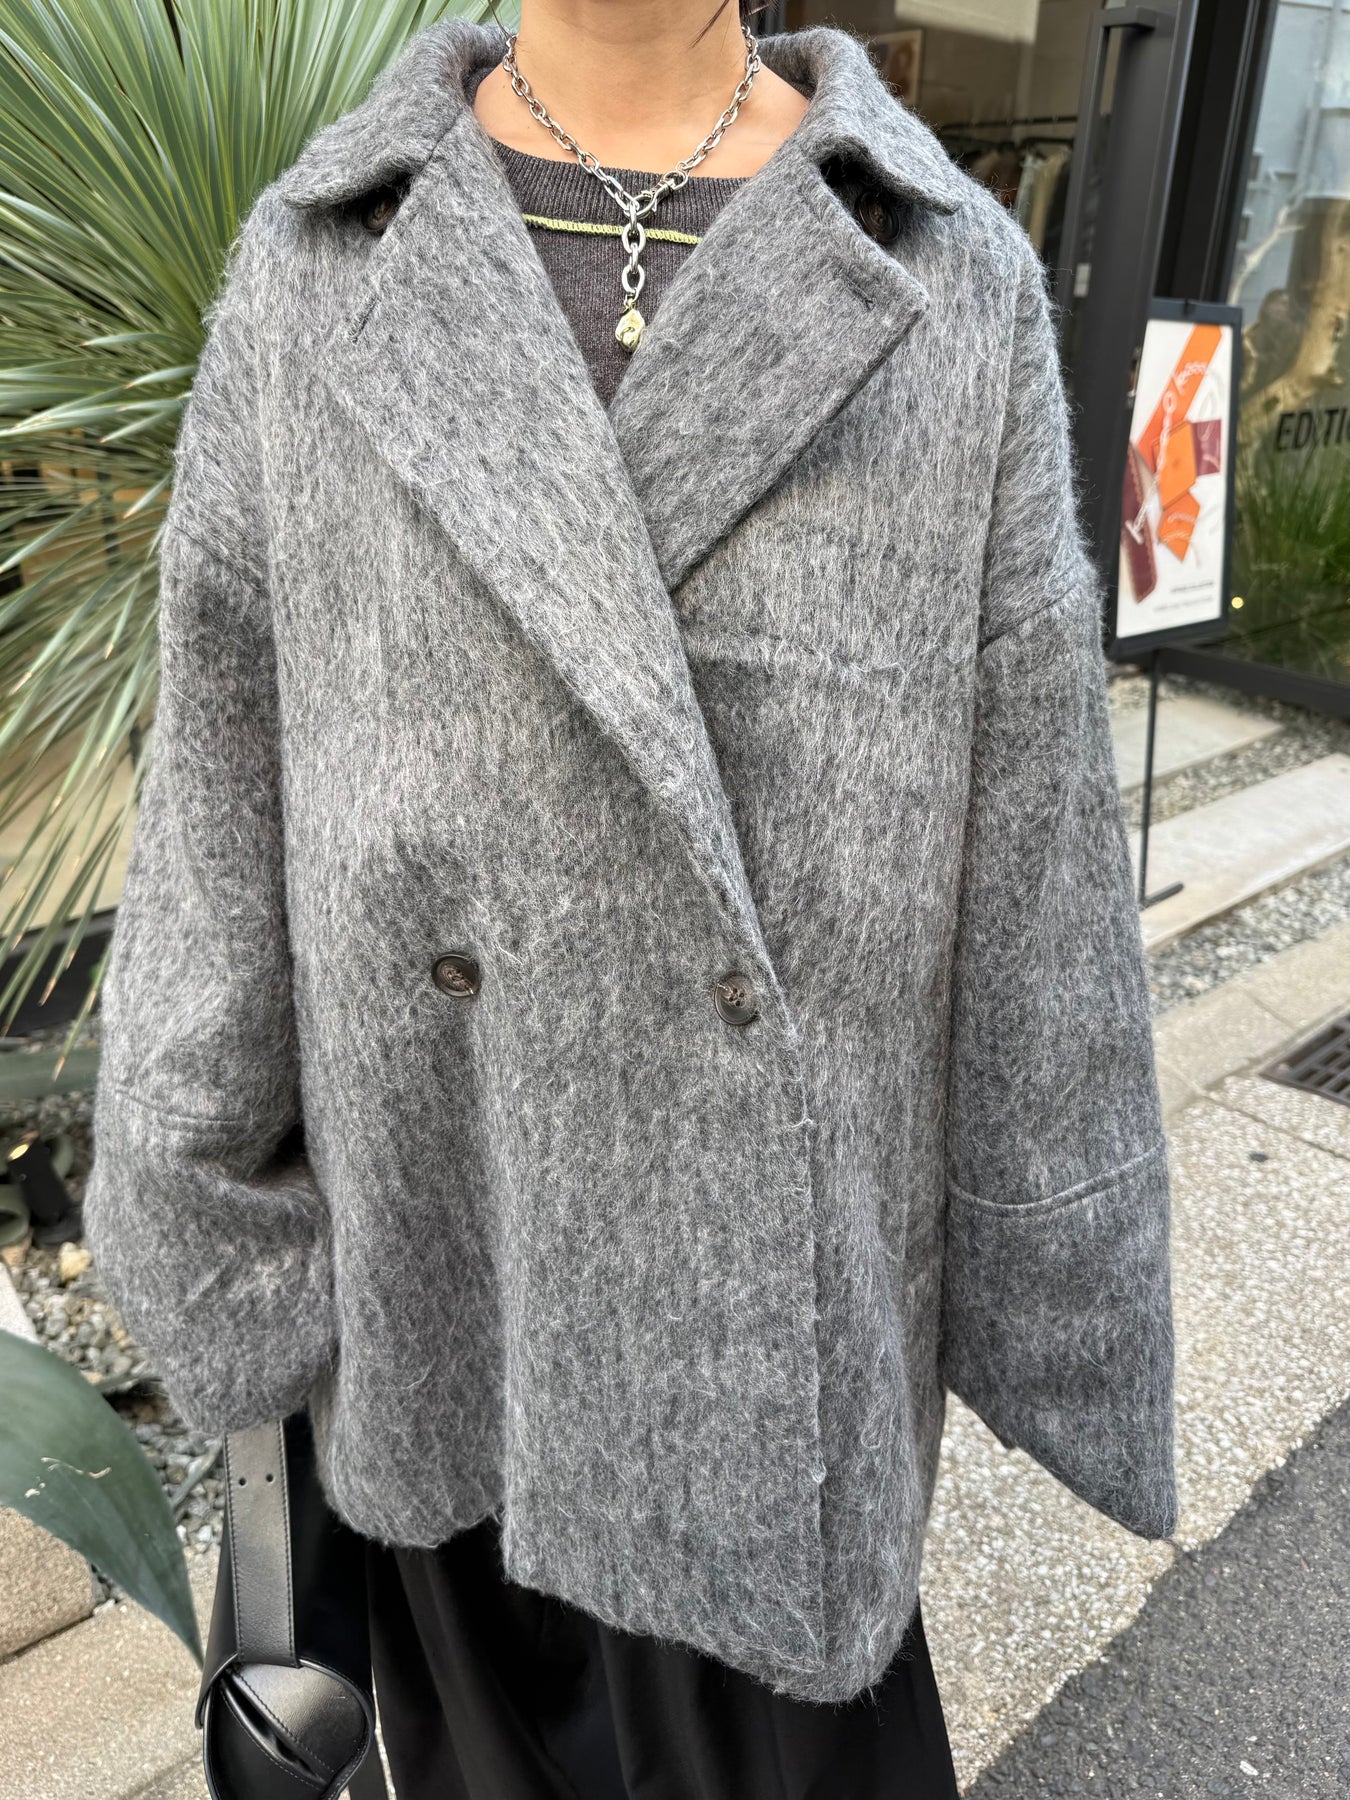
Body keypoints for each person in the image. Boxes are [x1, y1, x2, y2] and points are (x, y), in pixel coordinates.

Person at [83, 3, 1178, 1797]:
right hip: (447, 1269)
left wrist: (1059, 1260)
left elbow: (1033, 839)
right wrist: (211, 1217)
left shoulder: (939, 269)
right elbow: (222, 772)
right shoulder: (319, 261)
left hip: (778, 1344)